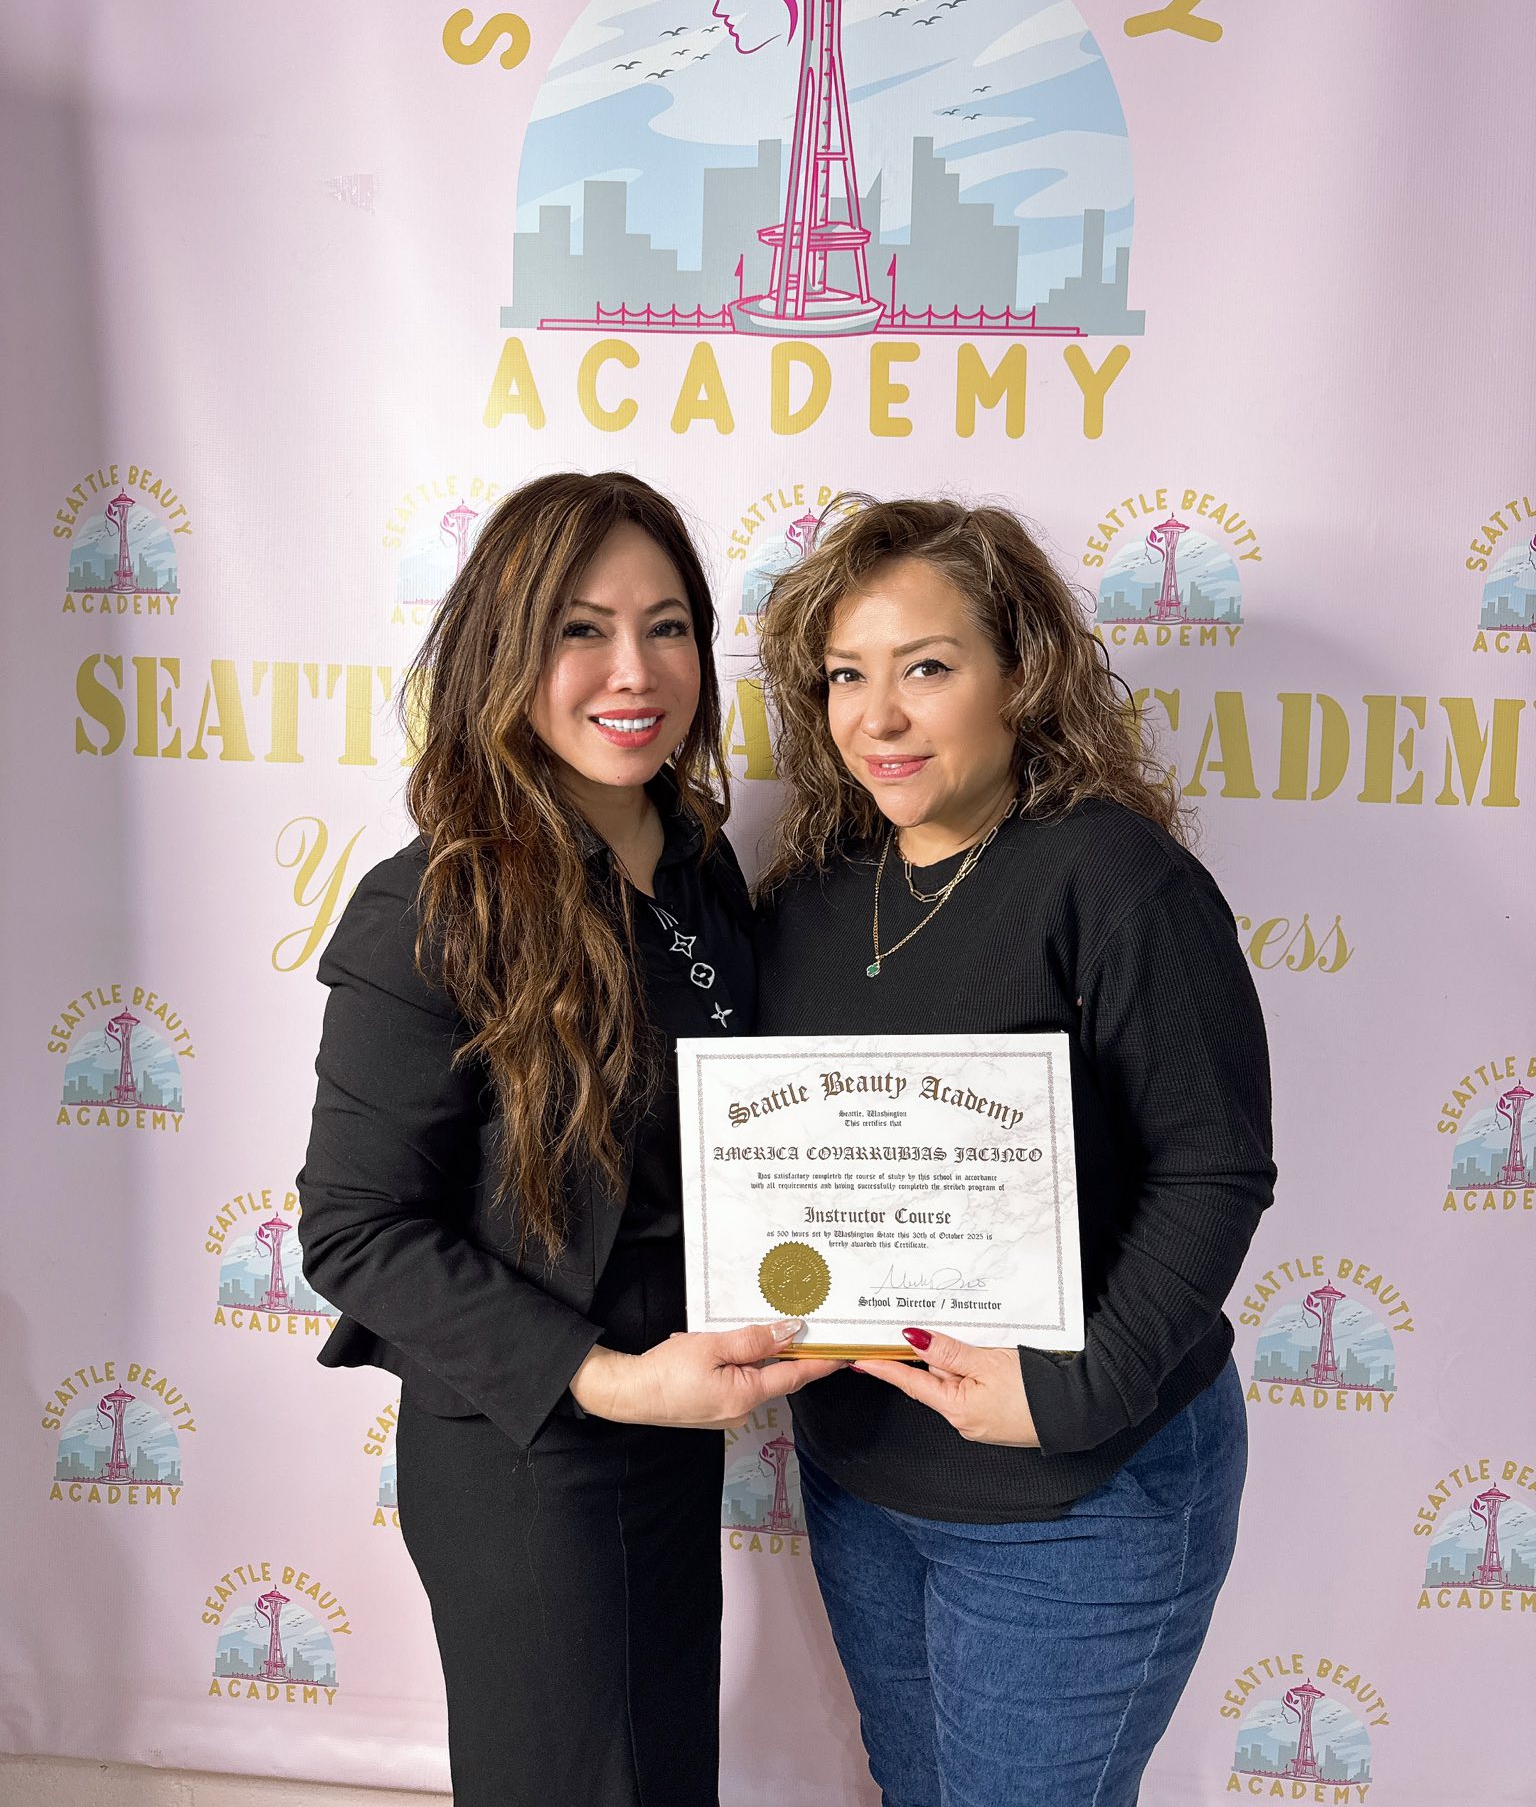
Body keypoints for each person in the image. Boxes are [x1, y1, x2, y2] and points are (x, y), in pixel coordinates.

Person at [298, 470, 837, 1807]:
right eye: (580, 630)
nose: (633, 671)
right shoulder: (433, 906)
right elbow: (356, 1232)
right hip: (530, 1450)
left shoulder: (698, 858)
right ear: (504, 653)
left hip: (675, 1424)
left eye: (668, 627)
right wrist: (608, 1382)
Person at [753, 495, 1276, 1807]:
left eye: (927, 667)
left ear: (1022, 673)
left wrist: (1076, 1395)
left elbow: (1213, 1168)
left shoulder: (1116, 881)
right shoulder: (809, 895)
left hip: (1077, 1494)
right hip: (863, 1477)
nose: (879, 717)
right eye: (847, 676)